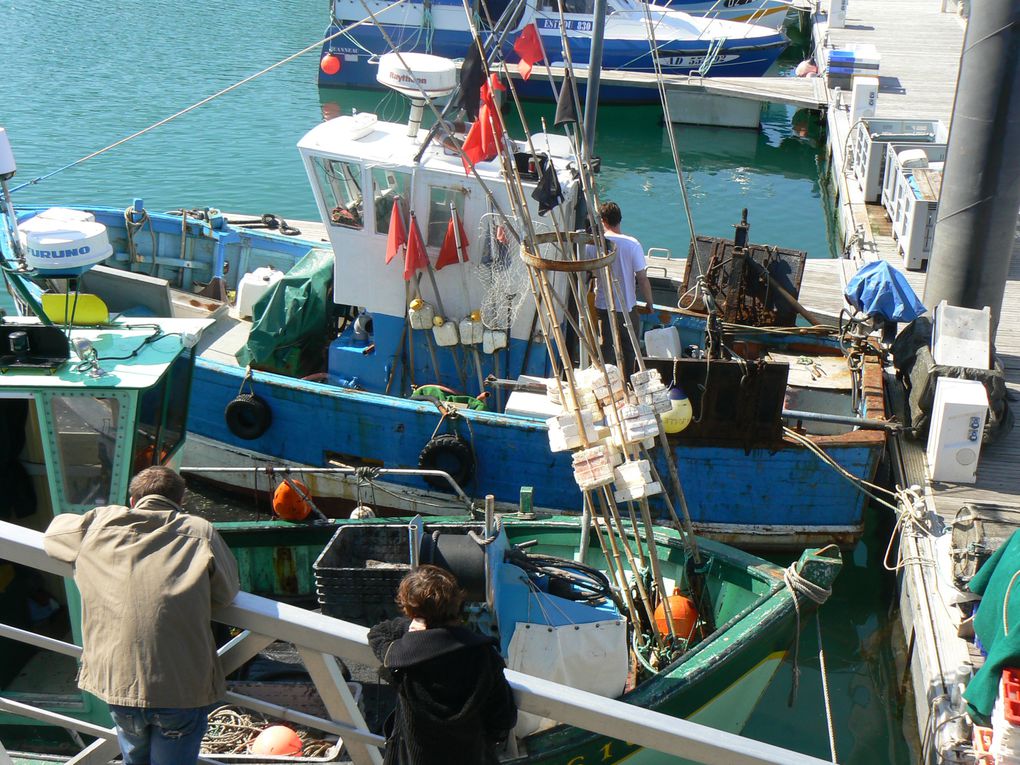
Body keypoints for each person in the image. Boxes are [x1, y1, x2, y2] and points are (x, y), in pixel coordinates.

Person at [43, 466, 240, 765]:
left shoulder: (100, 522)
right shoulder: (199, 531)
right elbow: (226, 594)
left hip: (119, 685)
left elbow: (54, 534)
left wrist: (107, 516)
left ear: (132, 500)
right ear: (181, 499)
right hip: (180, 687)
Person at [367, 565, 517, 765]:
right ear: (457, 602)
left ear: (411, 612)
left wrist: (412, 627)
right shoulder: (483, 655)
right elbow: (503, 719)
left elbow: (379, 633)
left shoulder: (402, 661)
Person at [592, 201, 654, 375]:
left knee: (606, 349)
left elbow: (590, 274)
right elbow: (642, 278)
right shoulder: (632, 244)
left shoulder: (595, 244)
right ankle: (628, 382)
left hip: (604, 305)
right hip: (627, 306)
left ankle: (607, 384)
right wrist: (649, 303)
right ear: (620, 219)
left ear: (603, 220)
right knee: (630, 349)